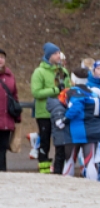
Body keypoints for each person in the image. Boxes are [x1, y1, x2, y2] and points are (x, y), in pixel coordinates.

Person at [31, 43, 66, 174]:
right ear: (49, 55)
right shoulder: (39, 72)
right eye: (56, 53)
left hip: (60, 112)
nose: (59, 55)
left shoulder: (62, 71)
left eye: (59, 53)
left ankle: (58, 169)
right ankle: (43, 169)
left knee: (60, 141)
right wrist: (55, 90)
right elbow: (36, 92)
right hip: (44, 112)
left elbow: (67, 89)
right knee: (45, 141)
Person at [0, 48, 17, 171]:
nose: (0, 59)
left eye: (2, 57)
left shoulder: (10, 76)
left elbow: (14, 96)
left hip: (6, 119)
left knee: (3, 149)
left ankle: (3, 175)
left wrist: (17, 116)